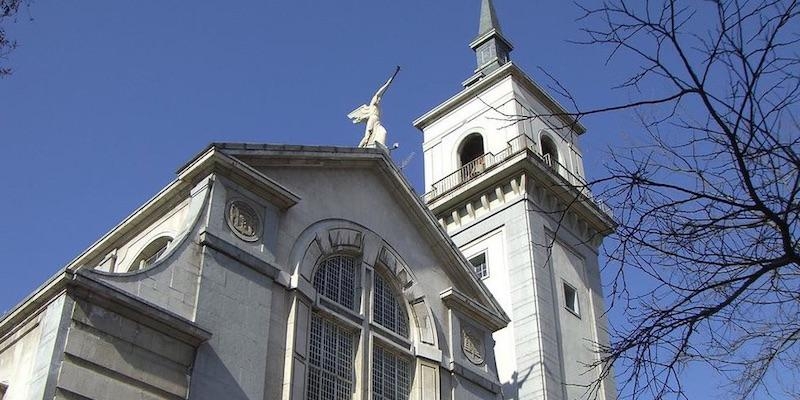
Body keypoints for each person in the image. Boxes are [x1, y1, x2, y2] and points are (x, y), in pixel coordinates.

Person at [348, 66, 400, 147]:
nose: (379, 100)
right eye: (378, 98)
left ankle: (379, 145)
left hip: (377, 121)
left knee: (383, 132)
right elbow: (381, 92)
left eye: (379, 99)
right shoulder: (373, 104)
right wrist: (389, 82)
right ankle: (359, 148)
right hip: (372, 120)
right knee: (367, 137)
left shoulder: (378, 108)